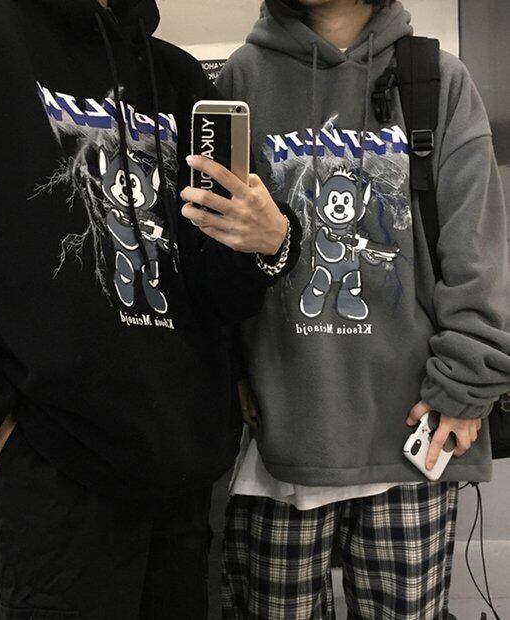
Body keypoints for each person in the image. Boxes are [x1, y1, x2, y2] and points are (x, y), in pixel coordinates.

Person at [0, 0, 301, 618]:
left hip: (181, 476)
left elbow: (219, 295)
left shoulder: (177, 77)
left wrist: (270, 245)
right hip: (51, 476)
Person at [217, 0, 510, 618]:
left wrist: (467, 383)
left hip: (412, 437)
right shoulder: (242, 78)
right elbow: (213, 252)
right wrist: (229, 370)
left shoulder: (437, 80)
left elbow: (477, 256)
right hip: (281, 442)